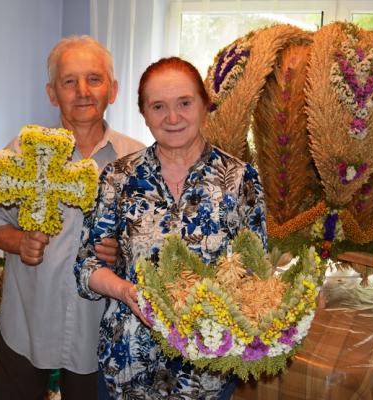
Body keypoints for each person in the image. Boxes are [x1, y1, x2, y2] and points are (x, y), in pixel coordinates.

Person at [74, 57, 268, 399]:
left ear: (204, 105)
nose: (172, 117)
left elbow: (256, 273)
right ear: (144, 114)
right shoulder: (119, 177)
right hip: (126, 366)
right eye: (158, 106)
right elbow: (87, 266)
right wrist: (124, 291)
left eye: (184, 103)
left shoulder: (239, 180)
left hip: (206, 373)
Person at [0, 36, 145, 400]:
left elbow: (153, 241)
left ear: (113, 90)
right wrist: (19, 242)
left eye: (94, 79)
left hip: (99, 328)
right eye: (69, 82)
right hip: (28, 318)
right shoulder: (21, 153)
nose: (83, 91)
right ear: (52, 93)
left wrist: (126, 252)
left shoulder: (137, 161)